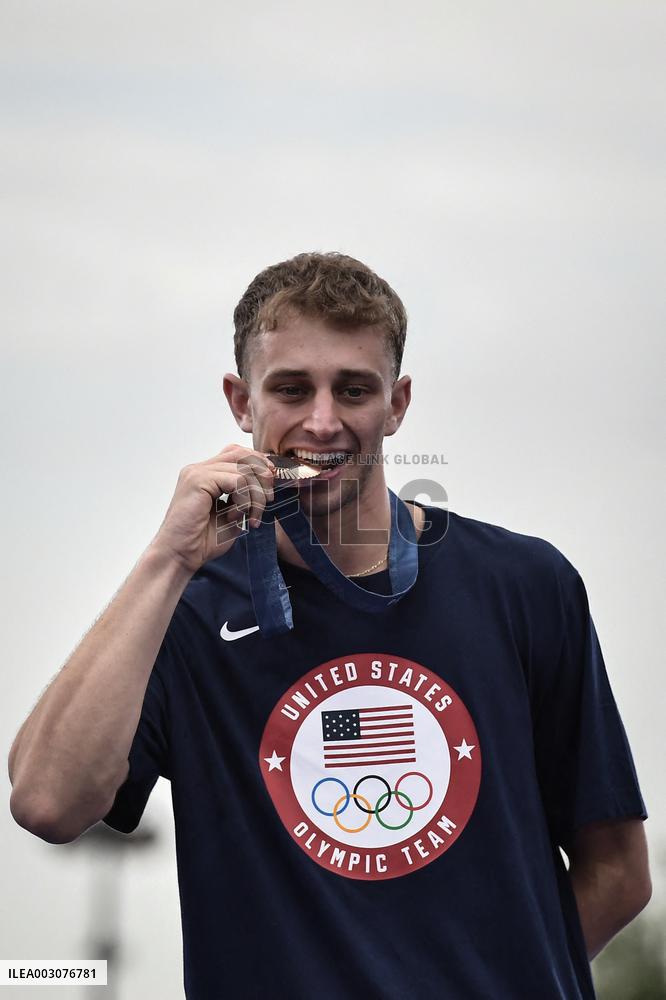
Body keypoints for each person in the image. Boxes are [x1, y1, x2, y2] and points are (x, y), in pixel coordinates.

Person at [9, 252, 651, 999]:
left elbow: (618, 872)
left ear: (398, 402)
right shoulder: (180, 611)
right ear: (239, 401)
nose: (322, 420)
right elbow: (48, 804)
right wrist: (168, 557)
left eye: (353, 389)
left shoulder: (525, 585)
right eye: (289, 389)